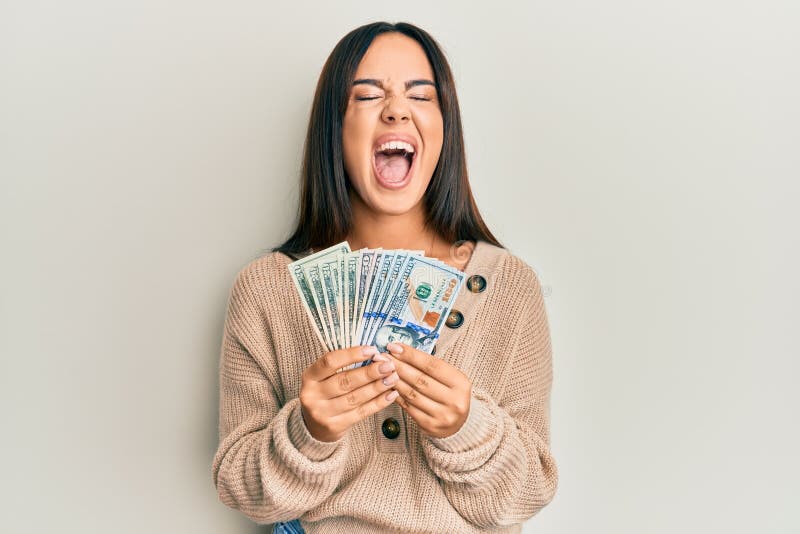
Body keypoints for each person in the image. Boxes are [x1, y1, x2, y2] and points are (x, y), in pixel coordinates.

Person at [211, 21, 558, 534]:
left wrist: (468, 429)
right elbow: (241, 490)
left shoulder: (510, 286)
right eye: (368, 95)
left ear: (445, 129)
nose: (396, 108)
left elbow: (528, 493)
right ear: (335, 128)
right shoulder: (268, 288)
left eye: (421, 96)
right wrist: (309, 431)